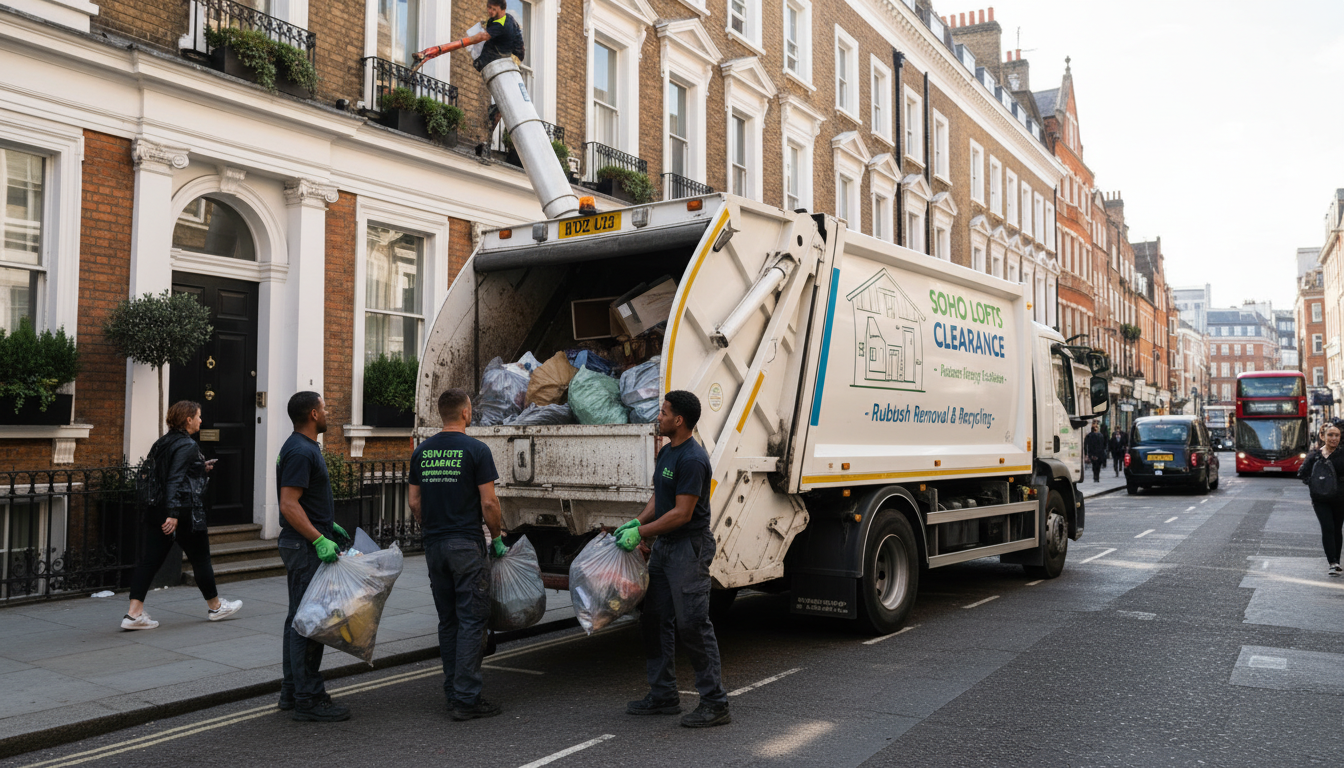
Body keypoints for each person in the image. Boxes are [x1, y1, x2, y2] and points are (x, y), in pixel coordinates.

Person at [613, 391, 730, 728]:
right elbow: (660, 498)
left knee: (692, 624)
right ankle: (663, 695)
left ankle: (715, 703)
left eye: (663, 412)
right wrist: (638, 522)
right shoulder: (668, 452)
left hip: (688, 548)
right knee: (653, 619)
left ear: (679, 420)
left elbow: (682, 513)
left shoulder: (693, 459)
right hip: (665, 548)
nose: (658, 417)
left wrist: (644, 532)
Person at [409, 388, 505, 721]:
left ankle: (452, 691)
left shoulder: (421, 452)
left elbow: (414, 503)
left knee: (448, 621)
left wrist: (433, 528)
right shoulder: (477, 450)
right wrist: (498, 537)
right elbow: (489, 503)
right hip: (465, 545)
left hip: (434, 547)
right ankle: (466, 699)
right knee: (471, 621)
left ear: (441, 413)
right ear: (465, 412)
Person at [121, 401, 241, 630]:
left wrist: (198, 468)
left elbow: (158, 474)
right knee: (201, 559)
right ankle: (216, 607)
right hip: (182, 512)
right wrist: (173, 514)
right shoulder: (187, 445)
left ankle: (133, 614)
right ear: (188, 420)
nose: (201, 420)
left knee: (149, 562)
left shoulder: (163, 442)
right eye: (198, 416)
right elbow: (174, 479)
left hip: (157, 510)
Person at [276, 391, 351, 722]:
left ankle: (292, 691)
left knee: (299, 619)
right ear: (312, 414)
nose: (327, 411)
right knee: (309, 622)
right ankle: (308, 698)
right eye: (323, 407)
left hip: (303, 541)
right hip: (304, 547)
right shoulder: (301, 451)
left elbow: (300, 501)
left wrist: (325, 523)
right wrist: (319, 538)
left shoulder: (298, 447)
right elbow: (288, 503)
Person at [410, 0, 525, 131]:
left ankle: (496, 115)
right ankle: (496, 113)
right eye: (488, 8)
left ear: (502, 9)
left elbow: (478, 38)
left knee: (484, 59)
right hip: (502, 52)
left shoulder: (503, 25)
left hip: (510, 58)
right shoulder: (501, 20)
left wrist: (442, 49)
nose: (489, 11)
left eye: (493, 9)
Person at [1299, 424, 1344, 576]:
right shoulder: (1314, 455)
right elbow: (1302, 473)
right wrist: (1315, 485)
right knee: (1328, 528)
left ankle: (1336, 561)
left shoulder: (1342, 454)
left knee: (1337, 529)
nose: (1334, 438)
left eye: (1337, 435)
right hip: (1320, 500)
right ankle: (1332, 562)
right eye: (1330, 435)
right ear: (1323, 436)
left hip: (1340, 499)